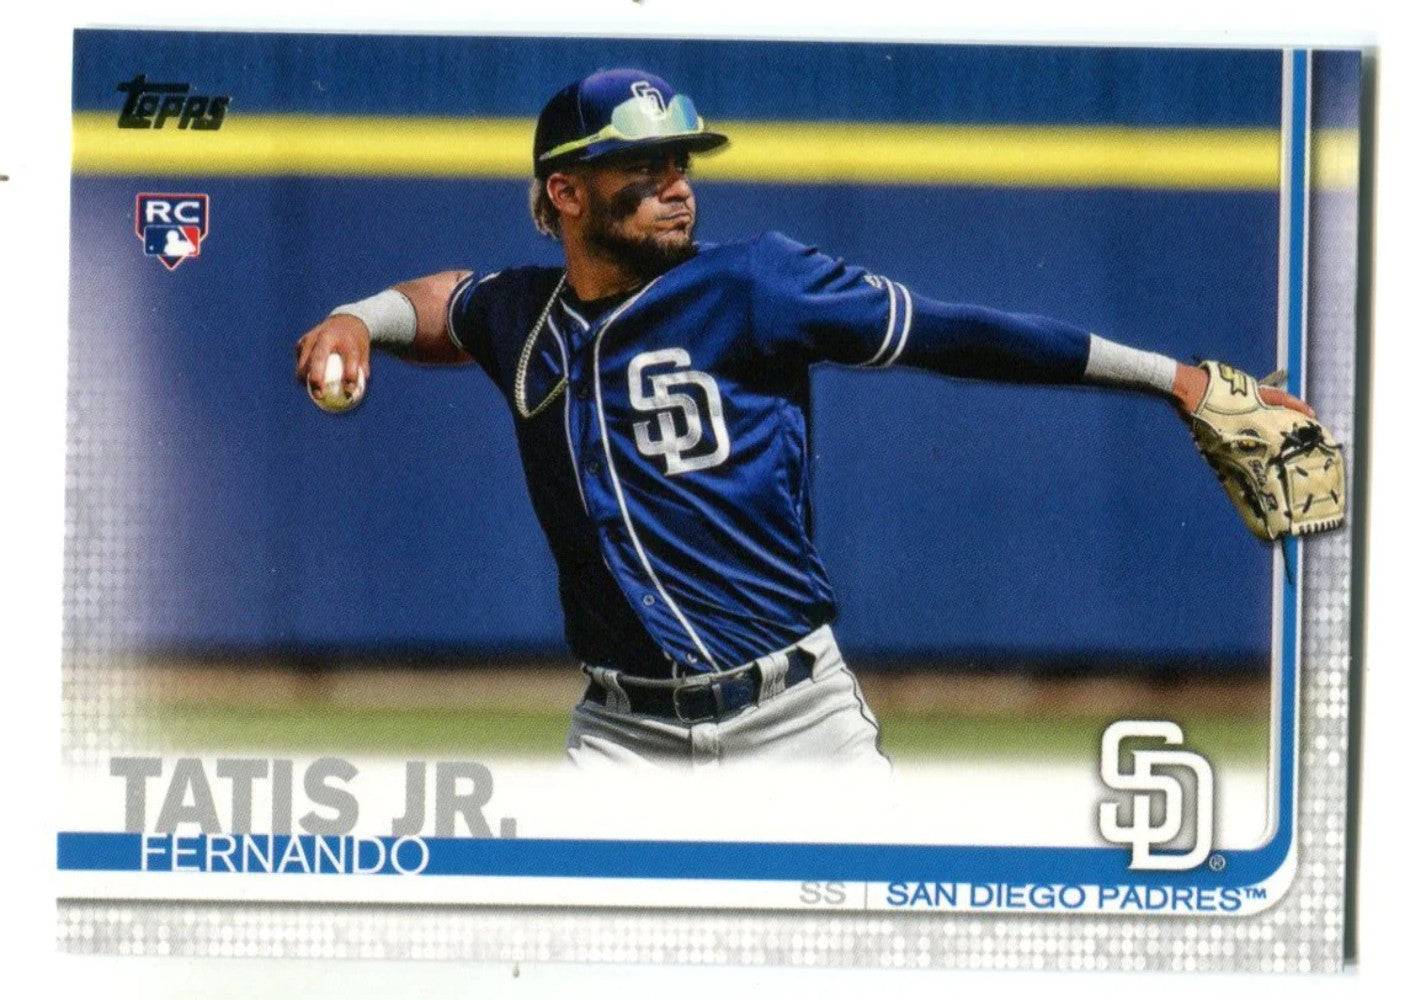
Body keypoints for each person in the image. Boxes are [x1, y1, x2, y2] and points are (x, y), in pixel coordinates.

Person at [295, 68, 1313, 770]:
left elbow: (960, 334)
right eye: (646, 168)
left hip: (794, 724)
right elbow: (449, 303)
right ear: (566, 190)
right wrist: (357, 318)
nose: (677, 188)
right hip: (622, 741)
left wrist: (1173, 379)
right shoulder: (525, 317)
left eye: (683, 163)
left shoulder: (754, 284)